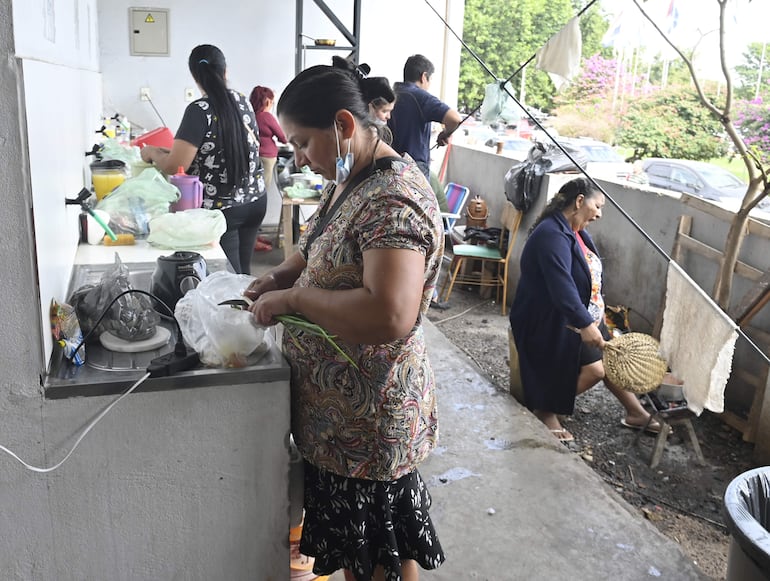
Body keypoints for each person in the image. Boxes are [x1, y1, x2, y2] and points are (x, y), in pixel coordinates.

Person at [244, 56, 446, 581]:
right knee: (359, 554)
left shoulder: (393, 198)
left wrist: (294, 302)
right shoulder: (349, 179)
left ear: (344, 125)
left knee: (377, 557)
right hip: (338, 423)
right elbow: (313, 248)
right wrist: (276, 279)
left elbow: (390, 312)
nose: (299, 156)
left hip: (369, 421)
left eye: (303, 142)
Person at [509, 177, 660, 443]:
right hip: (549, 319)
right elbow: (561, 285)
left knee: (614, 359)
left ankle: (635, 411)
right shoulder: (550, 234)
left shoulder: (576, 232)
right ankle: (545, 409)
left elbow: (589, 275)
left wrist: (596, 312)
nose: (600, 214)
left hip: (579, 313)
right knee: (596, 370)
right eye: (597, 206)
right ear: (580, 201)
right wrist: (584, 323)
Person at [141, 44, 266, 275]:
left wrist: (151, 152)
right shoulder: (243, 101)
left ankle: (243, 309)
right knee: (244, 273)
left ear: (194, 76)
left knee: (228, 278)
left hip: (222, 209)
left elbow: (175, 166)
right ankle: (250, 307)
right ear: (225, 72)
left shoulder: (199, 110)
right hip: (255, 200)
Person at [387, 54, 462, 180]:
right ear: (423, 77)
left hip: (390, 164)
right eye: (430, 79)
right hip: (414, 168)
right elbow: (455, 119)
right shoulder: (419, 96)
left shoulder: (392, 93)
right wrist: (446, 133)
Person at [249, 85, 288, 191]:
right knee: (264, 187)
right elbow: (283, 138)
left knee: (253, 186)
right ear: (267, 101)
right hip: (267, 157)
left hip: (253, 154)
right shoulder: (267, 117)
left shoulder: (249, 116)